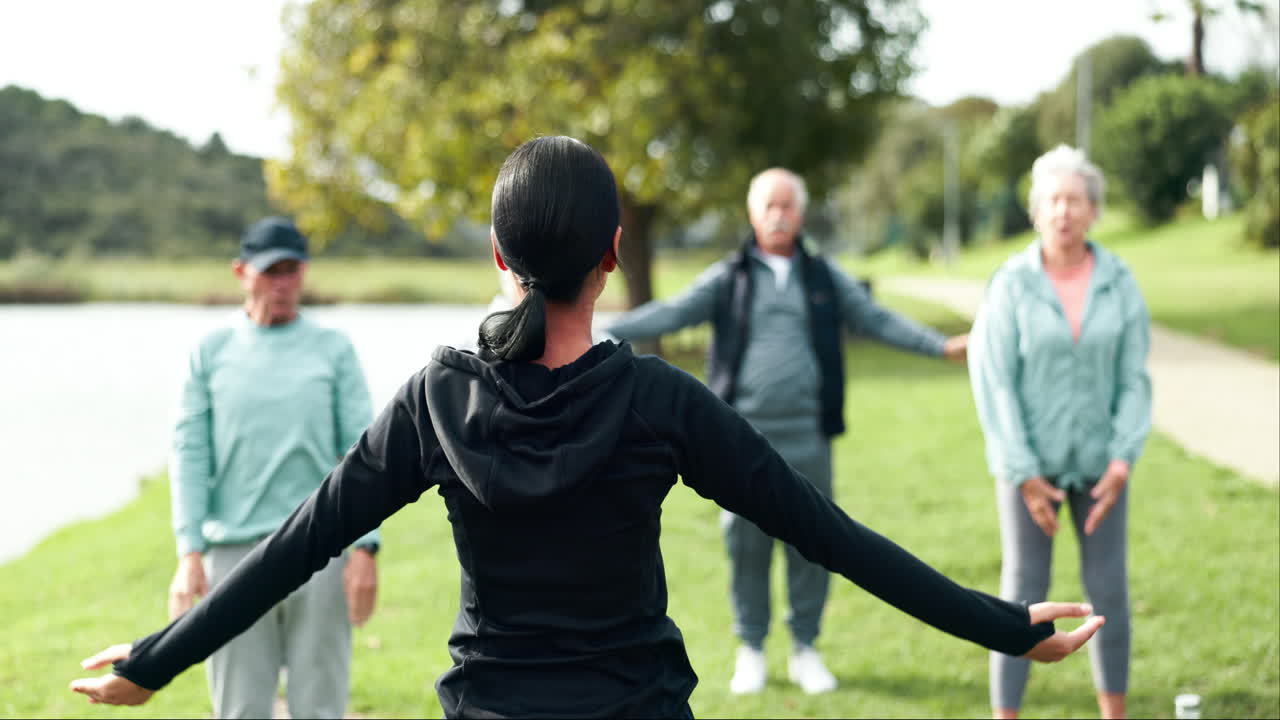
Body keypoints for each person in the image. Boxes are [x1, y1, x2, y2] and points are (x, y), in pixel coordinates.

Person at [71, 136, 1103, 719]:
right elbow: (828, 535)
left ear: (495, 254)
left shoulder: (439, 398)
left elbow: (295, 543)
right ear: (613, 253)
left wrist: (156, 662)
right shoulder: (657, 401)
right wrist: (1004, 624)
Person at [603, 167, 969, 694]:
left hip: (808, 435)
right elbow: (672, 312)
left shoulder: (824, 276)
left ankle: (806, 648)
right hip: (739, 438)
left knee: (814, 541)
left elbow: (876, 318)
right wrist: (597, 323)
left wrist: (939, 345)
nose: (778, 215)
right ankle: (751, 648)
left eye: (787, 206)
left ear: (801, 213)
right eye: (768, 206)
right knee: (744, 545)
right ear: (753, 214)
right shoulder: (729, 276)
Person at [162, 216, 382, 718]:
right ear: (241, 272)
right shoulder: (210, 352)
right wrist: (189, 551)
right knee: (239, 710)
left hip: (319, 553)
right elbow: (190, 453)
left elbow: (361, 454)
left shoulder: (333, 349)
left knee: (320, 708)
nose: (283, 284)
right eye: (270, 272)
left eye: (292, 270)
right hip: (233, 558)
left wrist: (366, 547)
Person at [967, 145, 1151, 720]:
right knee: (1020, 597)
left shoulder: (1120, 283)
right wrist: (1021, 472)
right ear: (1036, 211)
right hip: (1029, 469)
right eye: (1052, 200)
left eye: (1074, 199)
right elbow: (994, 381)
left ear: (1093, 209)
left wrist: (1122, 460)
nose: (1063, 211)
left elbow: (1134, 379)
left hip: (1101, 468)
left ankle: (1113, 713)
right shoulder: (1011, 284)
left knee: (1110, 592)